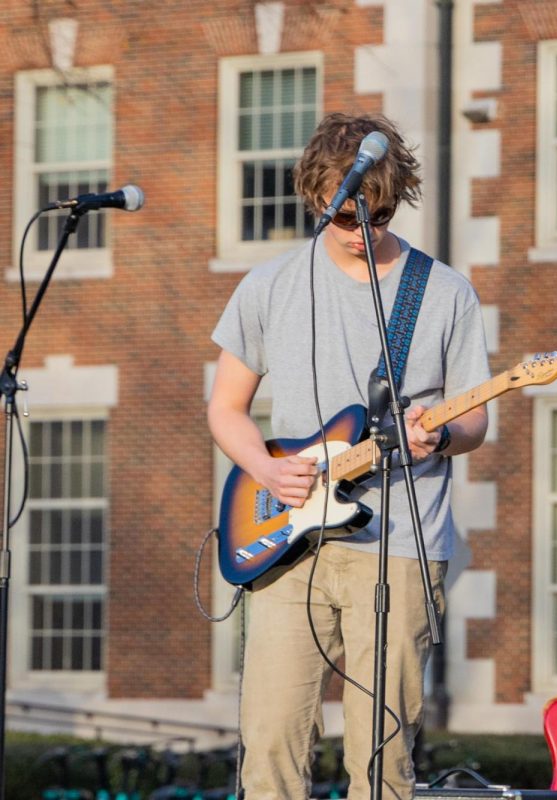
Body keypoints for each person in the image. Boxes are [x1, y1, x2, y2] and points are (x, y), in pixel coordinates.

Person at [208, 112, 490, 799]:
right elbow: (226, 407)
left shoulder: (444, 291)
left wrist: (441, 435)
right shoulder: (270, 285)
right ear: (316, 198)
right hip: (286, 542)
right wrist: (266, 468)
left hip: (401, 542)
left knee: (382, 760)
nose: (365, 231)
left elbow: (477, 418)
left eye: (383, 212)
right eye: (346, 216)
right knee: (271, 744)